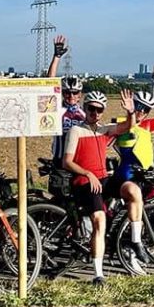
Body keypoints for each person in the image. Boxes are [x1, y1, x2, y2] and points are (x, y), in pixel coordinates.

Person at [63, 89, 135, 287]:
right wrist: (87, 173)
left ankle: (135, 240)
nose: (95, 113)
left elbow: (128, 127)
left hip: (103, 179)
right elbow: (67, 162)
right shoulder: (76, 131)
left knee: (133, 190)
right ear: (85, 108)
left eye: (99, 110)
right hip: (85, 182)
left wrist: (130, 111)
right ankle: (98, 273)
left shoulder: (104, 130)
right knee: (99, 219)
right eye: (91, 109)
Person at [110, 81, 154, 274]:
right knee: (133, 203)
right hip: (126, 174)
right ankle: (134, 244)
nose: (142, 112)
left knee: (138, 212)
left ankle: (132, 249)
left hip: (143, 175)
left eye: (146, 110)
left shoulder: (147, 125)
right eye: (139, 107)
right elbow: (125, 127)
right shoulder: (122, 123)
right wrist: (130, 112)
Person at [47, 35, 86, 167]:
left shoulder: (84, 113)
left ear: (80, 94)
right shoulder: (58, 109)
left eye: (75, 92)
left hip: (79, 160)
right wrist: (56, 57)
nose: (71, 95)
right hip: (59, 159)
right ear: (62, 93)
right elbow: (49, 84)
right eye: (67, 92)